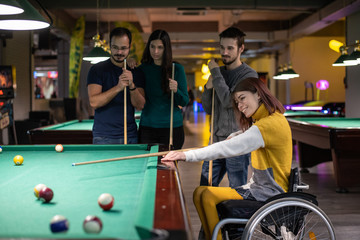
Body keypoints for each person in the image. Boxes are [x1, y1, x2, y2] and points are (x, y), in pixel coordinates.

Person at [161, 77, 292, 240]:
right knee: (200, 192)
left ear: (258, 94)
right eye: (237, 102)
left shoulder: (268, 125)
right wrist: (235, 136)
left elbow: (227, 148)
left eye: (242, 98)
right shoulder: (268, 120)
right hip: (259, 188)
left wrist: (185, 155)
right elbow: (250, 134)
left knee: (207, 195)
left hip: (269, 193)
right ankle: (213, 236)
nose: (240, 105)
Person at [200, 27, 258, 188]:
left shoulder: (249, 75)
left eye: (230, 48)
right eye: (222, 47)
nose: (224, 52)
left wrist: (215, 74)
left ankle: (237, 215)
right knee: (205, 188)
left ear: (241, 49)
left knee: (237, 190)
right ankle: (213, 215)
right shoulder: (218, 74)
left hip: (237, 143)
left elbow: (229, 102)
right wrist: (208, 88)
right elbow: (208, 108)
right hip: (215, 141)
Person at [87, 27, 146, 144]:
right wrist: (118, 87)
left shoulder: (136, 72)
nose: (119, 52)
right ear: (110, 45)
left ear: (130, 47)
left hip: (129, 135)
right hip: (103, 136)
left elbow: (140, 105)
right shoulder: (97, 70)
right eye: (115, 48)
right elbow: (94, 102)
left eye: (123, 48)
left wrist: (131, 85)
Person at [138, 29, 189, 150]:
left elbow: (184, 101)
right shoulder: (142, 69)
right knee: (148, 164)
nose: (155, 51)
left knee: (169, 168)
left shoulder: (176, 69)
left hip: (172, 127)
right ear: (148, 46)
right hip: (147, 127)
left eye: (160, 47)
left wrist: (176, 90)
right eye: (152, 46)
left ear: (166, 48)